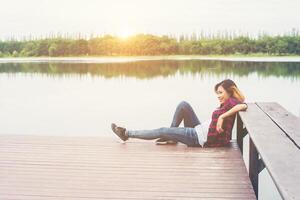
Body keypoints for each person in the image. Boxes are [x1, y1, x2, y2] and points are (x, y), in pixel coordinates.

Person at [111, 79, 248, 148]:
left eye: (220, 92)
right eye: (217, 93)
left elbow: (243, 105)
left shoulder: (232, 102)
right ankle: (172, 136)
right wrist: (221, 117)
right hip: (199, 129)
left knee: (162, 130)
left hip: (197, 137)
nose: (218, 96)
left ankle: (127, 134)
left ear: (229, 91)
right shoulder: (229, 102)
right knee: (184, 105)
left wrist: (222, 117)